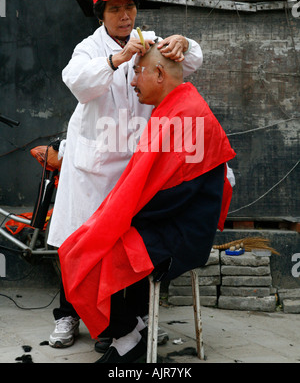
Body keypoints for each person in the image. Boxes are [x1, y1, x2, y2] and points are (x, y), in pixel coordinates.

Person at [47, 0, 203, 348]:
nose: (125, 15)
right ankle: (69, 315)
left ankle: (128, 324)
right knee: (78, 245)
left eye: (130, 6)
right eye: (115, 8)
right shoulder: (88, 48)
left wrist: (185, 42)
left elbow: (191, 61)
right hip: (92, 169)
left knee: (128, 246)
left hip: (134, 167)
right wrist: (118, 59)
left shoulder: (149, 41)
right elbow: (79, 83)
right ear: (101, 13)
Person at [58, 43, 236, 363]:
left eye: (137, 72)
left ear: (158, 73)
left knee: (90, 254)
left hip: (182, 233)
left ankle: (127, 333)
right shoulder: (173, 107)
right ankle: (132, 327)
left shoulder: (187, 114)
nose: (133, 81)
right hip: (169, 221)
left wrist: (124, 216)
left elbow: (182, 193)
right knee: (80, 246)